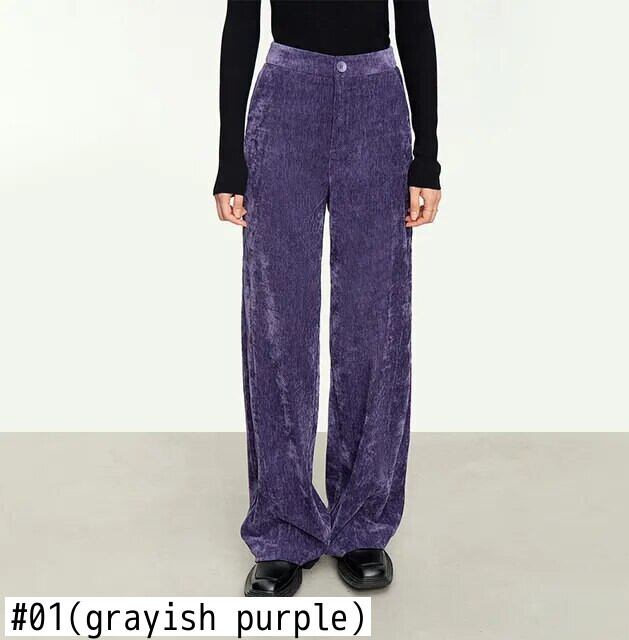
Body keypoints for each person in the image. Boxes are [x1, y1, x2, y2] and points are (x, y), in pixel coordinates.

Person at [214, 0, 441, 597]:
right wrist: (230, 159)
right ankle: (282, 526)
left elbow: (414, 20)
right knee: (278, 321)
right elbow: (241, 19)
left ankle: (362, 522)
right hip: (287, 99)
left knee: (375, 321)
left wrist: (427, 157)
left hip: (376, 102)